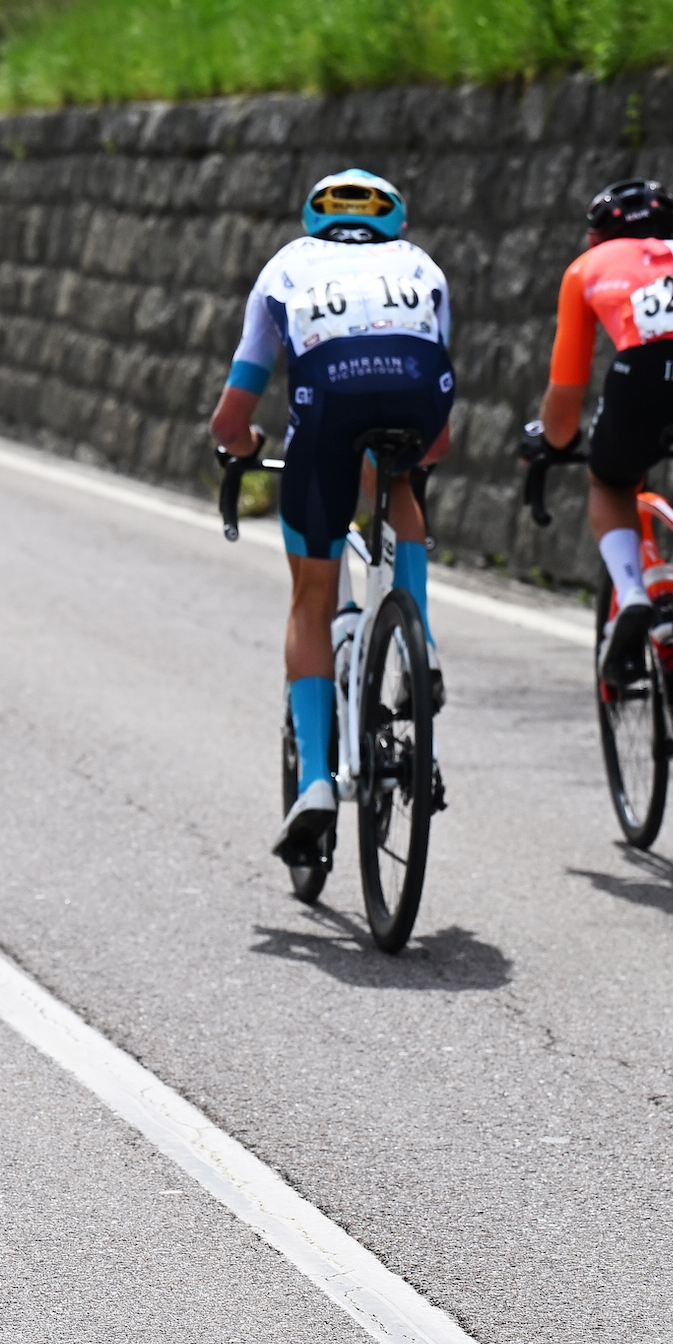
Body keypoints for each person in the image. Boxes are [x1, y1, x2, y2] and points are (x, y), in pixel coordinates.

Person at [207, 169, 455, 865]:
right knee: (400, 470)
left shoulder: (285, 268)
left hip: (325, 411)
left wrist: (246, 448)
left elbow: (232, 418)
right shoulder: (421, 265)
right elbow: (439, 432)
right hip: (412, 399)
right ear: (394, 222)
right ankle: (420, 639)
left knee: (311, 600)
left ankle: (315, 779)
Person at [520, 179, 673, 706]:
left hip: (650, 375)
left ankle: (632, 593)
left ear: (597, 237)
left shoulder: (589, 267)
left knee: (610, 480)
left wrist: (555, 443)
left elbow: (565, 396)